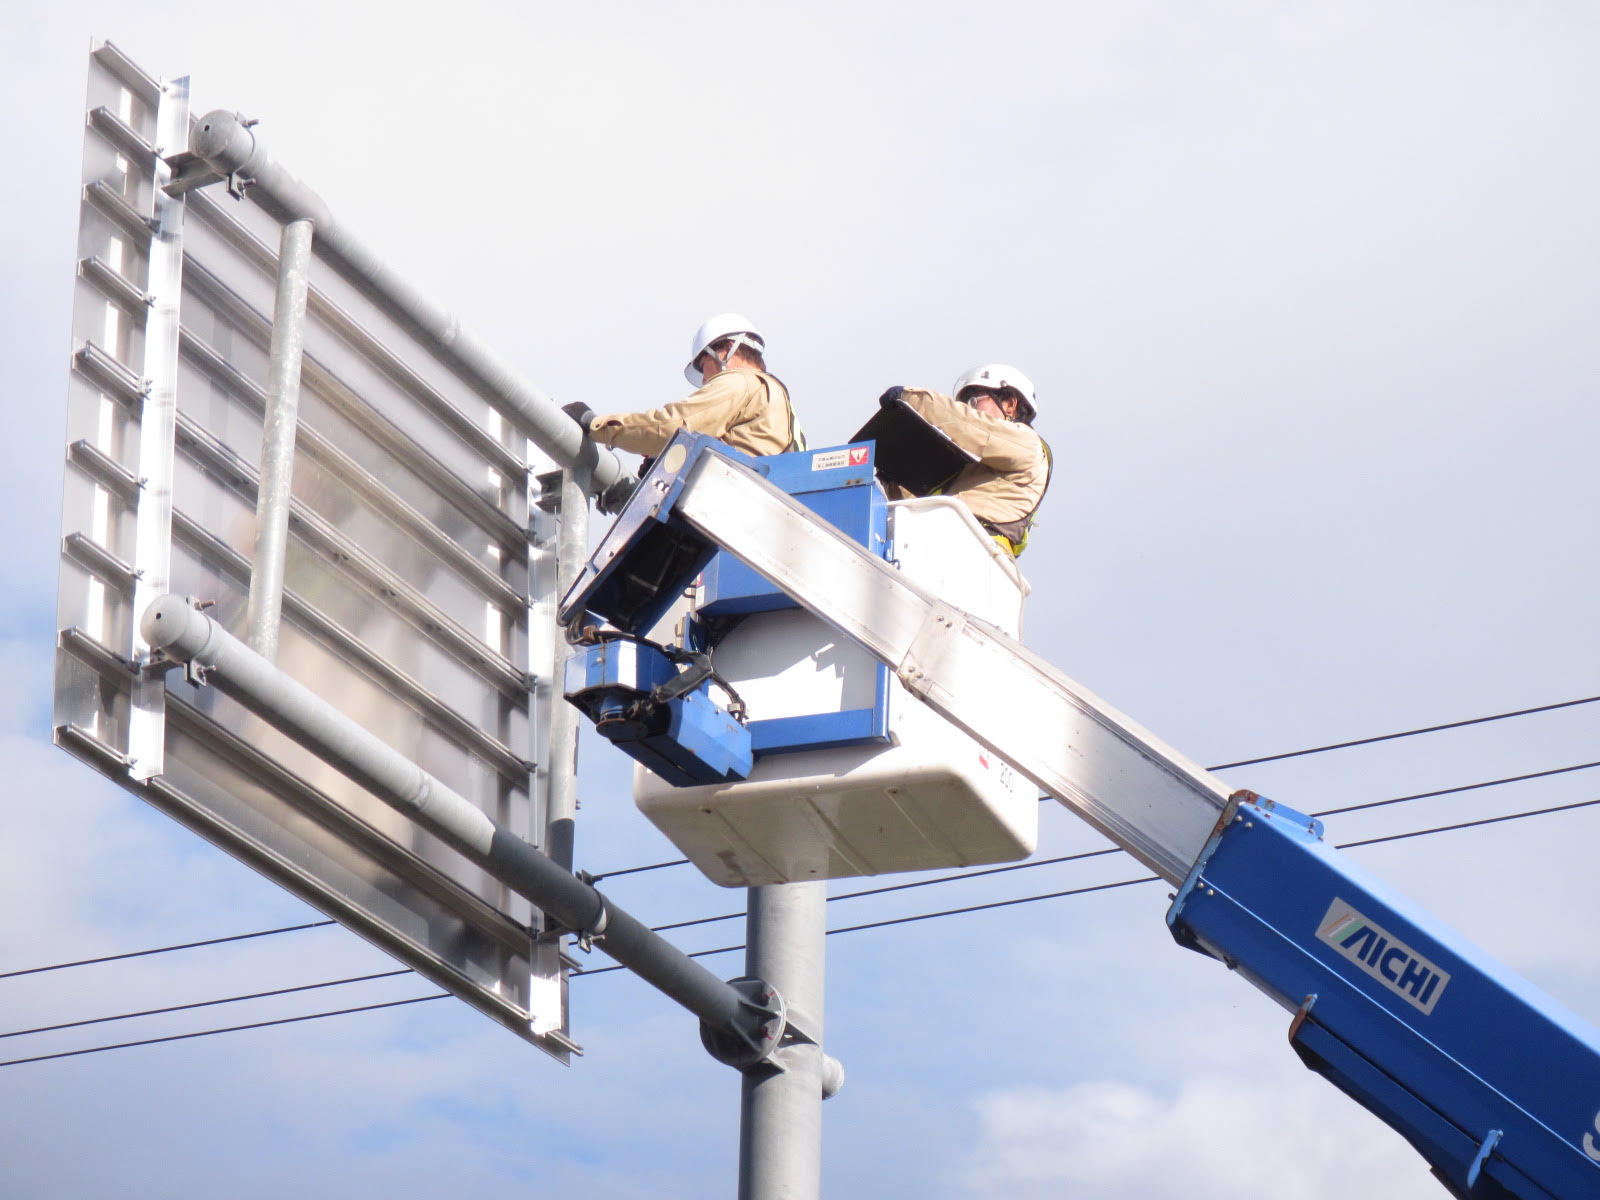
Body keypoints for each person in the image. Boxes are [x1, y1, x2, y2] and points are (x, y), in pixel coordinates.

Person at [563, 314, 804, 460]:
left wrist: (594, 424)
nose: (703, 380)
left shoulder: (740, 383)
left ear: (727, 349)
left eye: (703, 364)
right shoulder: (774, 396)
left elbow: (673, 426)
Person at [876, 363, 1050, 556]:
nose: (969, 409)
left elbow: (967, 424)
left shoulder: (1026, 443)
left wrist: (913, 399)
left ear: (1009, 404)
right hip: (948, 548)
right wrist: (895, 478)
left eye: (974, 401)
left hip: (980, 553)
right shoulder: (970, 471)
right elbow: (921, 507)